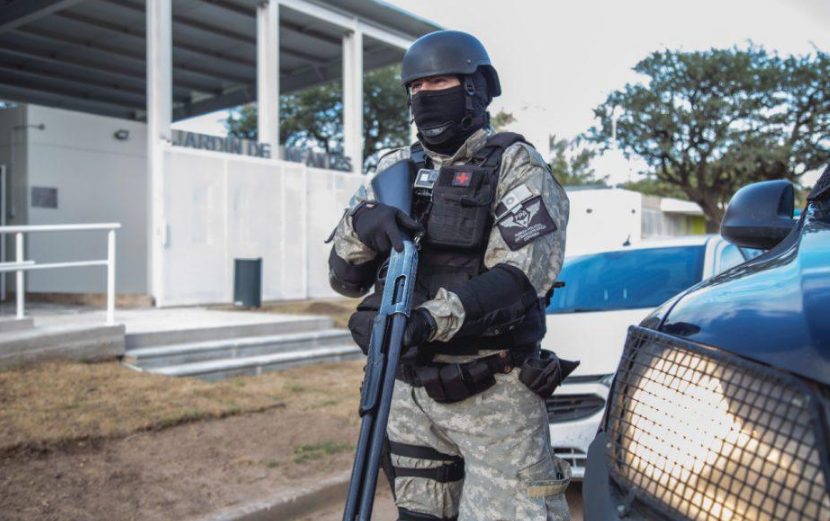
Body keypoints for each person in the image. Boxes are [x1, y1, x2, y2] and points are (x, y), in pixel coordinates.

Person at [328, 30, 573, 521]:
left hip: (493, 396)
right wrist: (361, 227)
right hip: (407, 392)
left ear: (476, 88)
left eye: (438, 82)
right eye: (415, 87)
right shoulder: (393, 168)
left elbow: (522, 278)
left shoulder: (515, 165)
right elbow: (345, 279)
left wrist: (423, 321)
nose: (424, 95)